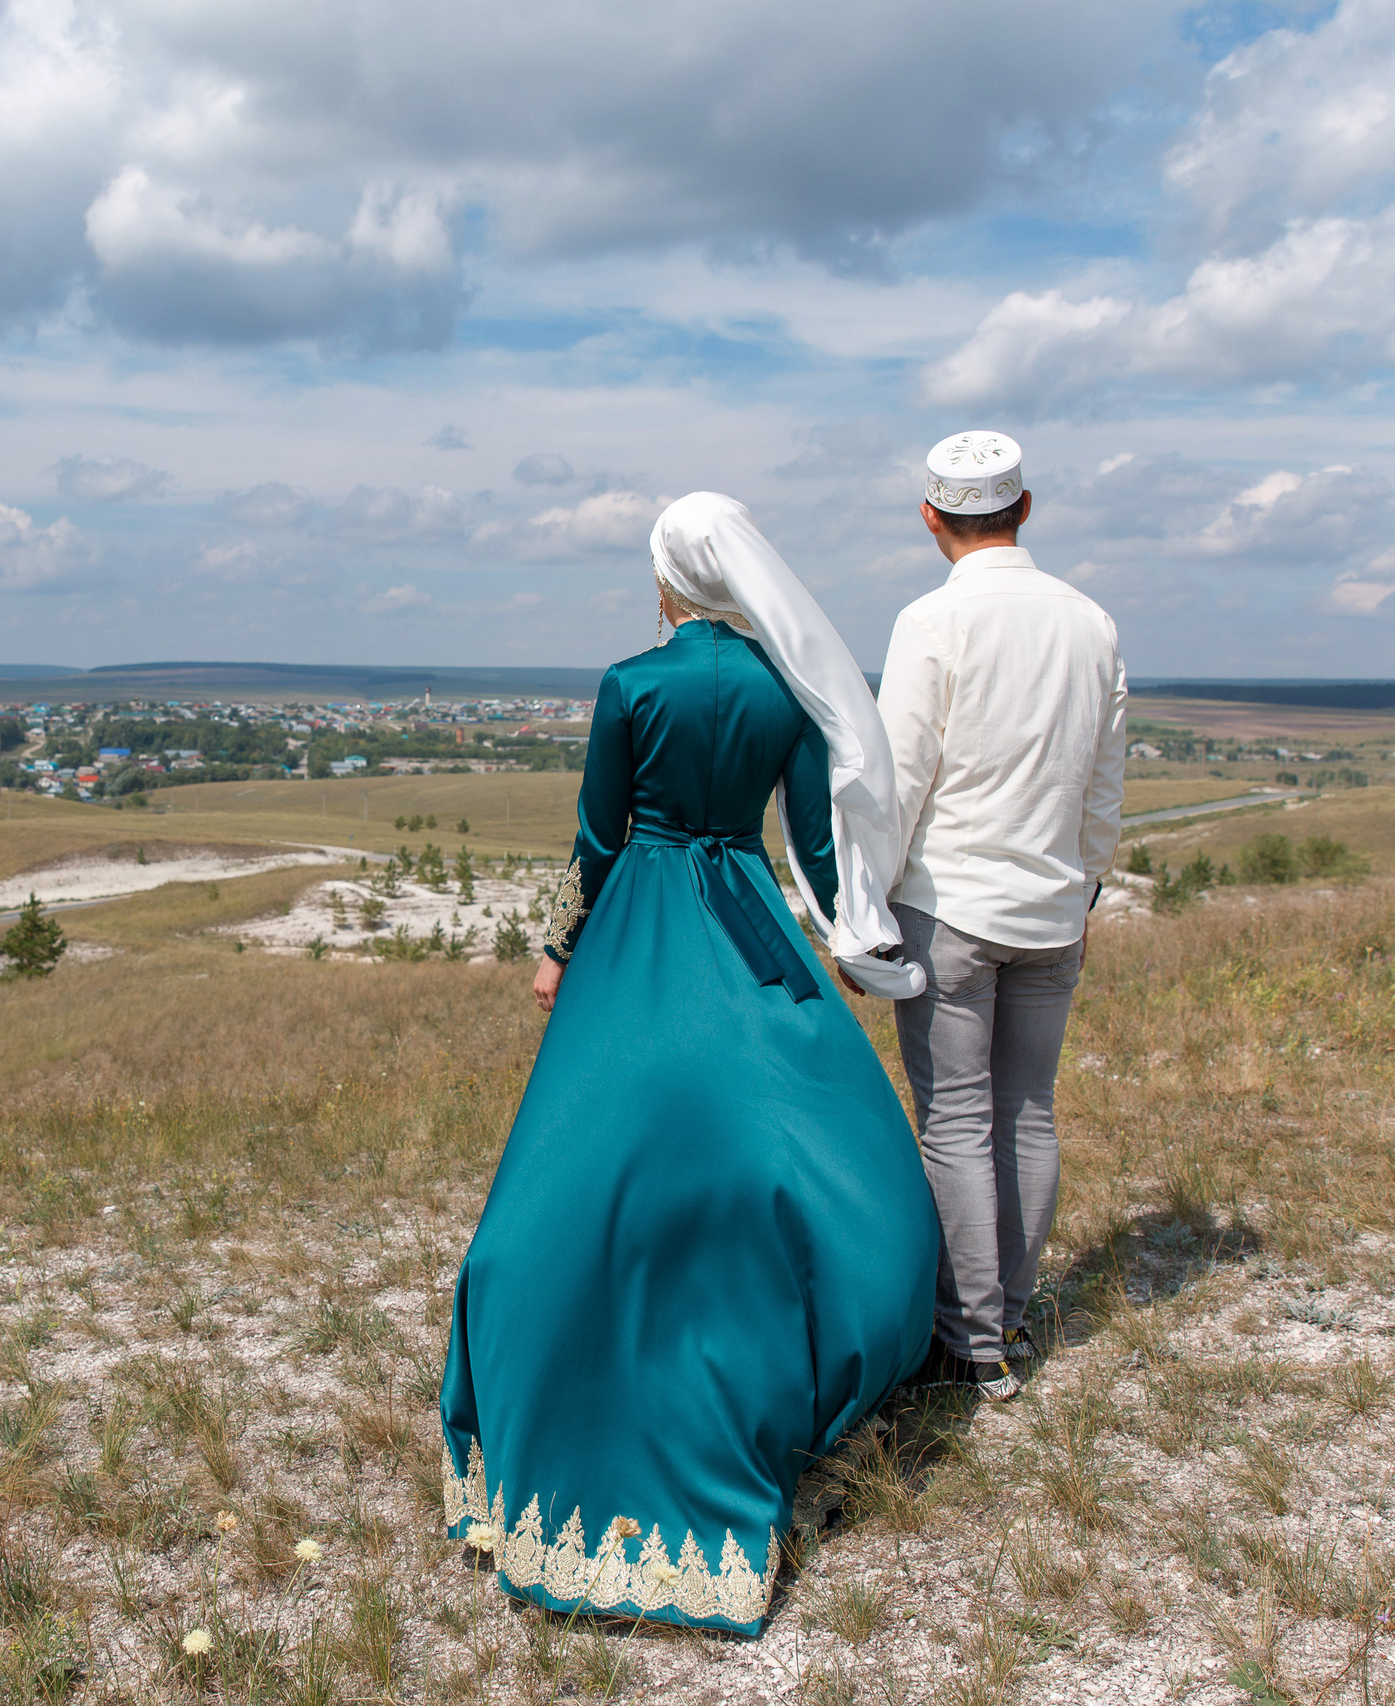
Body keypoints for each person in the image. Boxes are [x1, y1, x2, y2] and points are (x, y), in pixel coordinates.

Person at [438, 492, 938, 1636]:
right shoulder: (786, 686)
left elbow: (599, 835)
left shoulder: (630, 682)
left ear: (667, 580)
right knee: (800, 1139)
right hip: (746, 918)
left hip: (643, 925)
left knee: (586, 1156)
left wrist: (560, 949)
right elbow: (814, 842)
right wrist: (848, 938)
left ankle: (560, 1401)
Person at [875, 431, 1126, 1403]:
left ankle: (969, 1342)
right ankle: (1009, 1316)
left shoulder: (930, 621)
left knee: (955, 1121)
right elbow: (1101, 783)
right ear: (1024, 508)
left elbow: (900, 778)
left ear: (929, 517)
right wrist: (1083, 886)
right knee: (1028, 1110)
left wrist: (866, 901)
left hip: (950, 904)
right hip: (1052, 906)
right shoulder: (1090, 622)